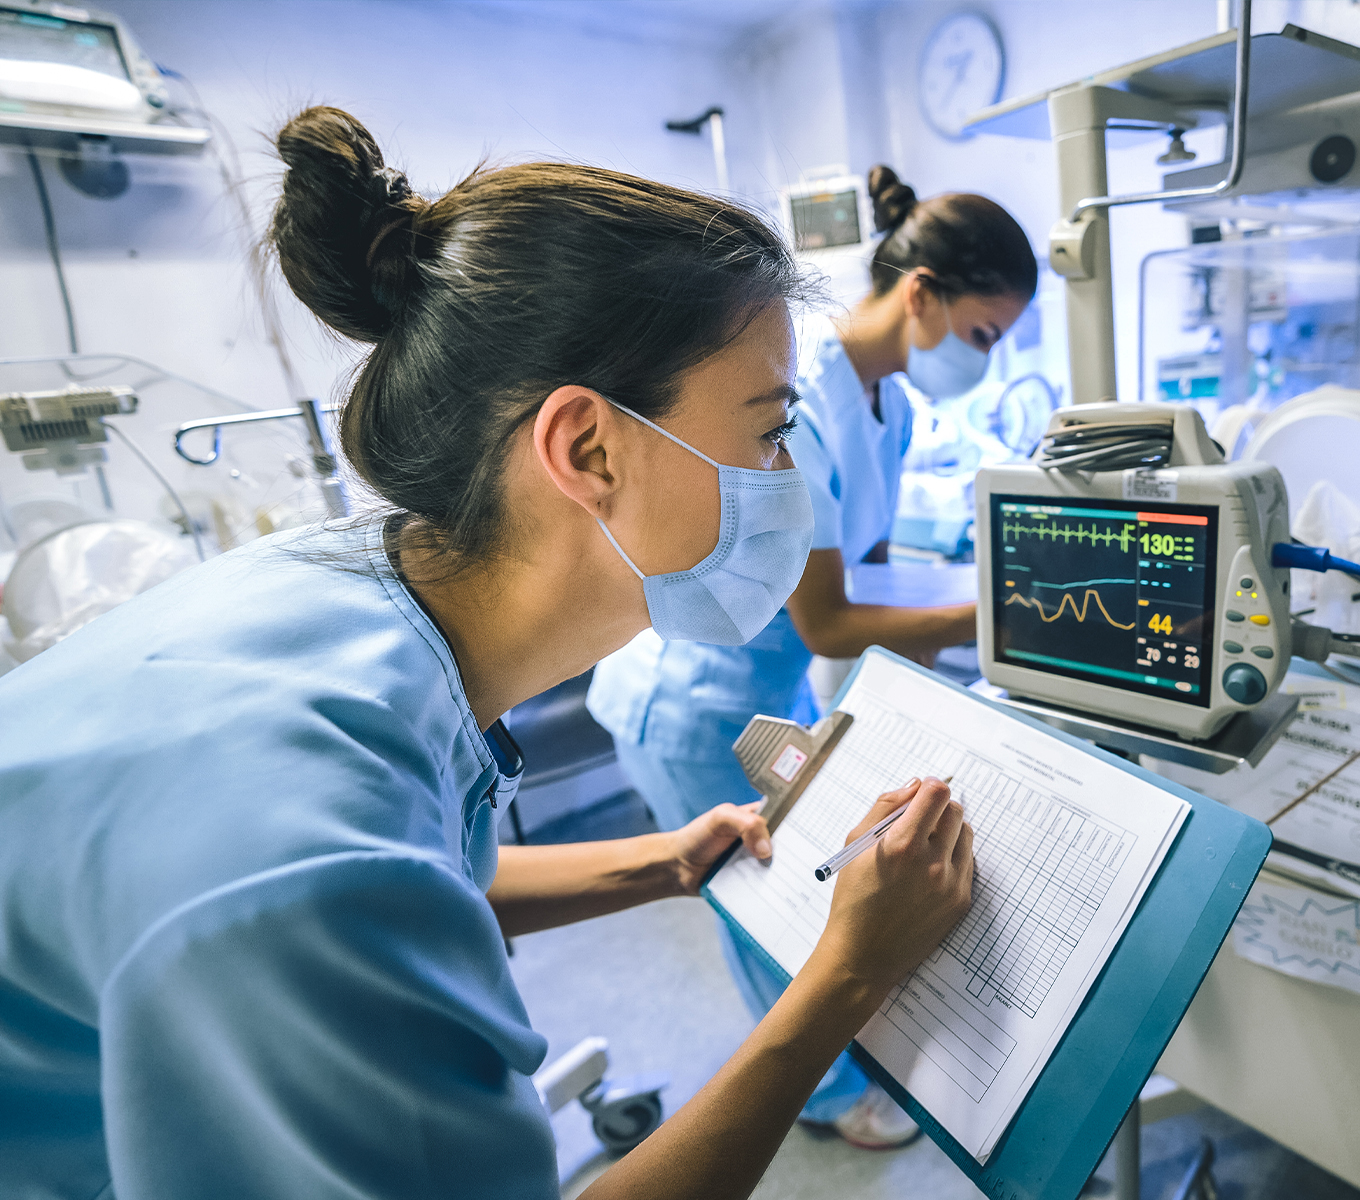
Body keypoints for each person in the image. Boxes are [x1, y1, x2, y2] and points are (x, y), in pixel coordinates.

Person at [0, 108, 974, 1200]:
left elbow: (418, 878)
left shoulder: (365, 594)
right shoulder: (293, 849)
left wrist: (658, 861)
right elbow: (336, 883)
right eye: (768, 429)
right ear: (587, 448)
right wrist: (844, 982)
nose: (786, 472)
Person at [588, 165, 1036, 1147]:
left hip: (767, 691)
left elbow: (861, 583)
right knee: (756, 897)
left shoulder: (897, 405)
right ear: (921, 295)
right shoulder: (806, 398)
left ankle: (834, 1042)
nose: (984, 360)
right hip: (693, 701)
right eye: (982, 335)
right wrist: (1000, 619)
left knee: (803, 875)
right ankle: (829, 1101)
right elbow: (833, 619)